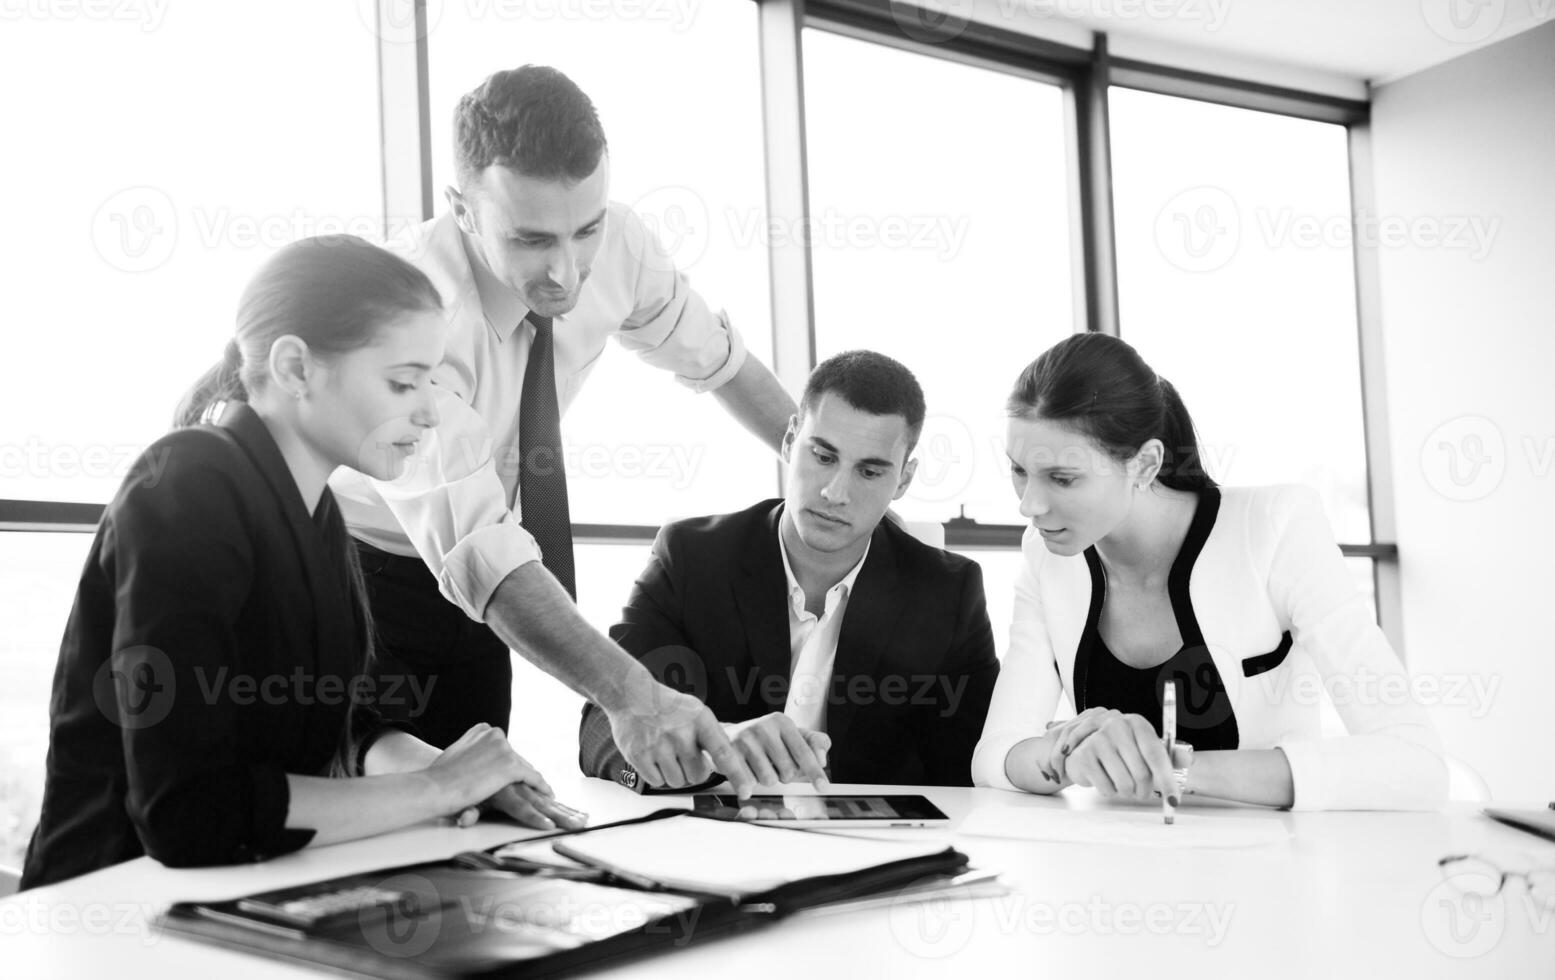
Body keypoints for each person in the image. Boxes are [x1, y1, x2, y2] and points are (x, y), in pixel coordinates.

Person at [21, 237, 581, 891]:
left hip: (245, 895)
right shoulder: (188, 483)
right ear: (294, 368)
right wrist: (435, 787)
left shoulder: (316, 514)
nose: (431, 411)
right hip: (114, 905)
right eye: (403, 382)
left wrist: (459, 775)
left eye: (434, 380)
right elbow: (188, 812)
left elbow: (333, 722)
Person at [329, 65, 793, 794]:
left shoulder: (621, 249)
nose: (567, 271)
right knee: (374, 800)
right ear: (461, 208)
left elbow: (720, 363)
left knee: (486, 814)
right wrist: (633, 698)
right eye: (532, 240)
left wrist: (821, 465)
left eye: (586, 229)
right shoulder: (410, 315)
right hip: (359, 574)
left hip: (484, 593)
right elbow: (480, 548)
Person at [971, 333, 1446, 810]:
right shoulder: (1045, 556)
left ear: (1145, 463)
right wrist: (1070, 756)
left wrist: (1169, 767)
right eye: (1019, 471)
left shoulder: (1274, 526)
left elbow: (1417, 766)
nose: (1028, 504)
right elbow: (994, 757)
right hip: (1109, 862)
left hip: (1268, 864)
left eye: (1062, 478)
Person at [579, 351, 1001, 790]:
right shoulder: (691, 557)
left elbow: (970, 767)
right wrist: (715, 748)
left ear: (904, 480)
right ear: (788, 441)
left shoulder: (948, 592)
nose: (836, 492)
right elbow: (601, 725)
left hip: (871, 847)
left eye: (870, 472)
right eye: (822, 456)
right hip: (712, 842)